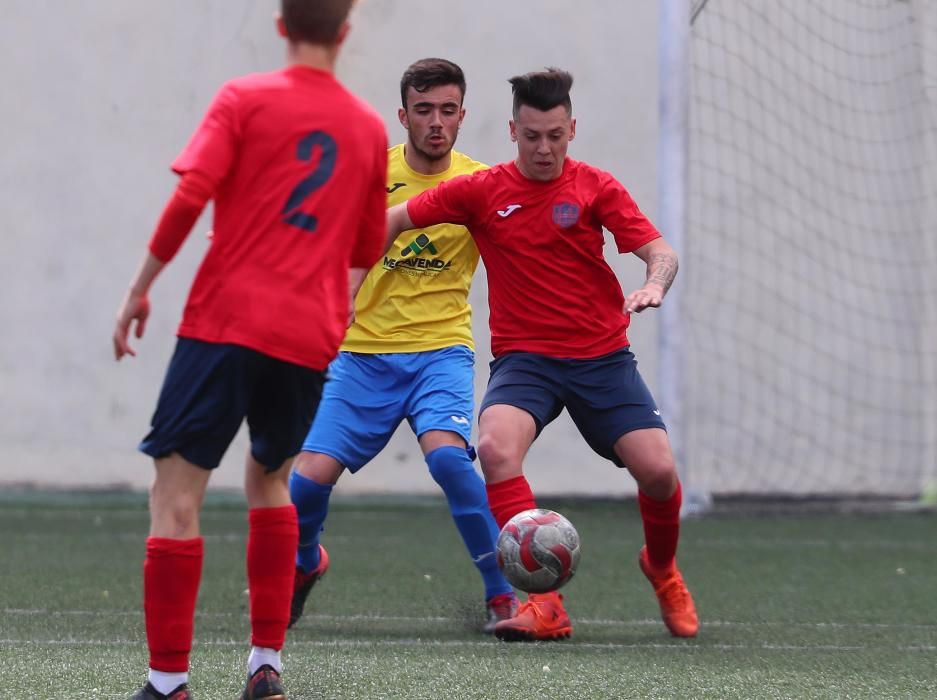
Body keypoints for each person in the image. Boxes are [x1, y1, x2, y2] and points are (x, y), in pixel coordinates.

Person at [112, 2, 387, 698]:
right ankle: (266, 665)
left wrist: (140, 289)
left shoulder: (244, 98)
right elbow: (361, 249)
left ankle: (168, 680)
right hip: (307, 336)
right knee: (271, 480)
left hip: (225, 322)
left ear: (280, 25)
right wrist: (331, 313)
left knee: (176, 496)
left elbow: (190, 197)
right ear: (345, 33)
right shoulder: (366, 128)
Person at [384, 68, 699, 642]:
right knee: (494, 446)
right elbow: (395, 219)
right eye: (532, 136)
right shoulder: (481, 191)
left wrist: (655, 283)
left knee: (658, 472)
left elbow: (661, 252)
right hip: (526, 361)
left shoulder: (595, 186)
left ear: (571, 129)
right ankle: (545, 604)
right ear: (512, 130)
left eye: (555, 135)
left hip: (601, 357)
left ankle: (661, 568)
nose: (544, 148)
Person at [287, 58, 518, 634]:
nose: (435, 122)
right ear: (404, 115)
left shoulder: (482, 185)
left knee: (450, 460)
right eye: (423, 110)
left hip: (442, 349)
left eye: (447, 110)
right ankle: (306, 560)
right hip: (364, 352)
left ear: (463, 115)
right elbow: (332, 246)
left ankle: (502, 595)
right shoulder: (370, 174)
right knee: (304, 481)